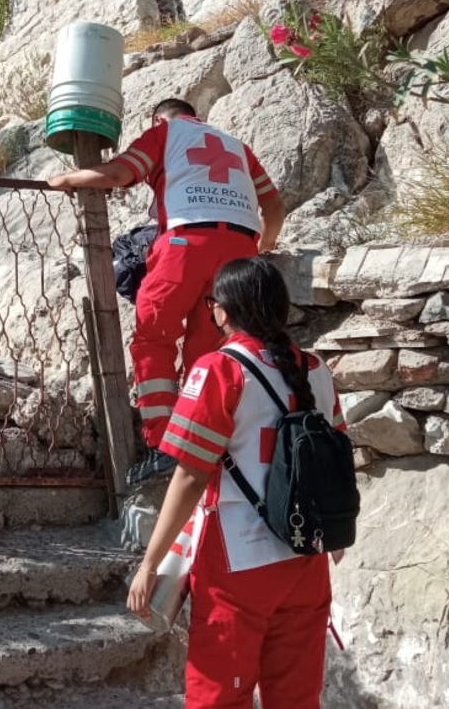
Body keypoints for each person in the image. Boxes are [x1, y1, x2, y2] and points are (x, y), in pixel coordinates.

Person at [127, 256, 345, 709]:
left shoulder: (218, 370)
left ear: (223, 310)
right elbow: (338, 458)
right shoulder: (318, 370)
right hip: (307, 556)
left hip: (237, 561)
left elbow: (189, 475)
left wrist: (149, 565)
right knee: (297, 697)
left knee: (219, 696)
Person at [47, 98, 285, 483]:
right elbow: (273, 205)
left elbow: (119, 174)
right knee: (208, 351)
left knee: (153, 338)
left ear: (158, 118)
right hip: (240, 250)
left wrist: (68, 179)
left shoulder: (165, 133)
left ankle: (162, 445)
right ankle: (205, 442)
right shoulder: (235, 145)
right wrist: (262, 249)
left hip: (185, 243)